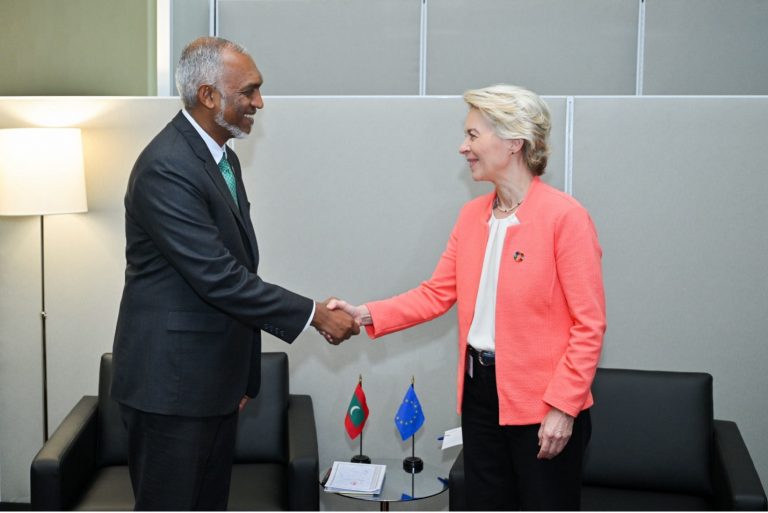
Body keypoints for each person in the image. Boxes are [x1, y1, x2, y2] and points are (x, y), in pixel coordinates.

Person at [111, 36, 358, 510]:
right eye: (248, 91)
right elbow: (219, 278)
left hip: (209, 386)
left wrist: (240, 380)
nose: (258, 103)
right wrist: (314, 315)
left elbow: (237, 269)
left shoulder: (220, 157)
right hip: (171, 391)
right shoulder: (167, 167)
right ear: (208, 96)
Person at [330, 85, 606, 510]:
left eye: (473, 135)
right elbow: (436, 294)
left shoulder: (565, 218)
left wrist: (564, 407)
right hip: (480, 395)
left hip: (542, 402)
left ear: (514, 142)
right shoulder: (471, 216)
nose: (463, 148)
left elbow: (589, 325)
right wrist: (365, 314)